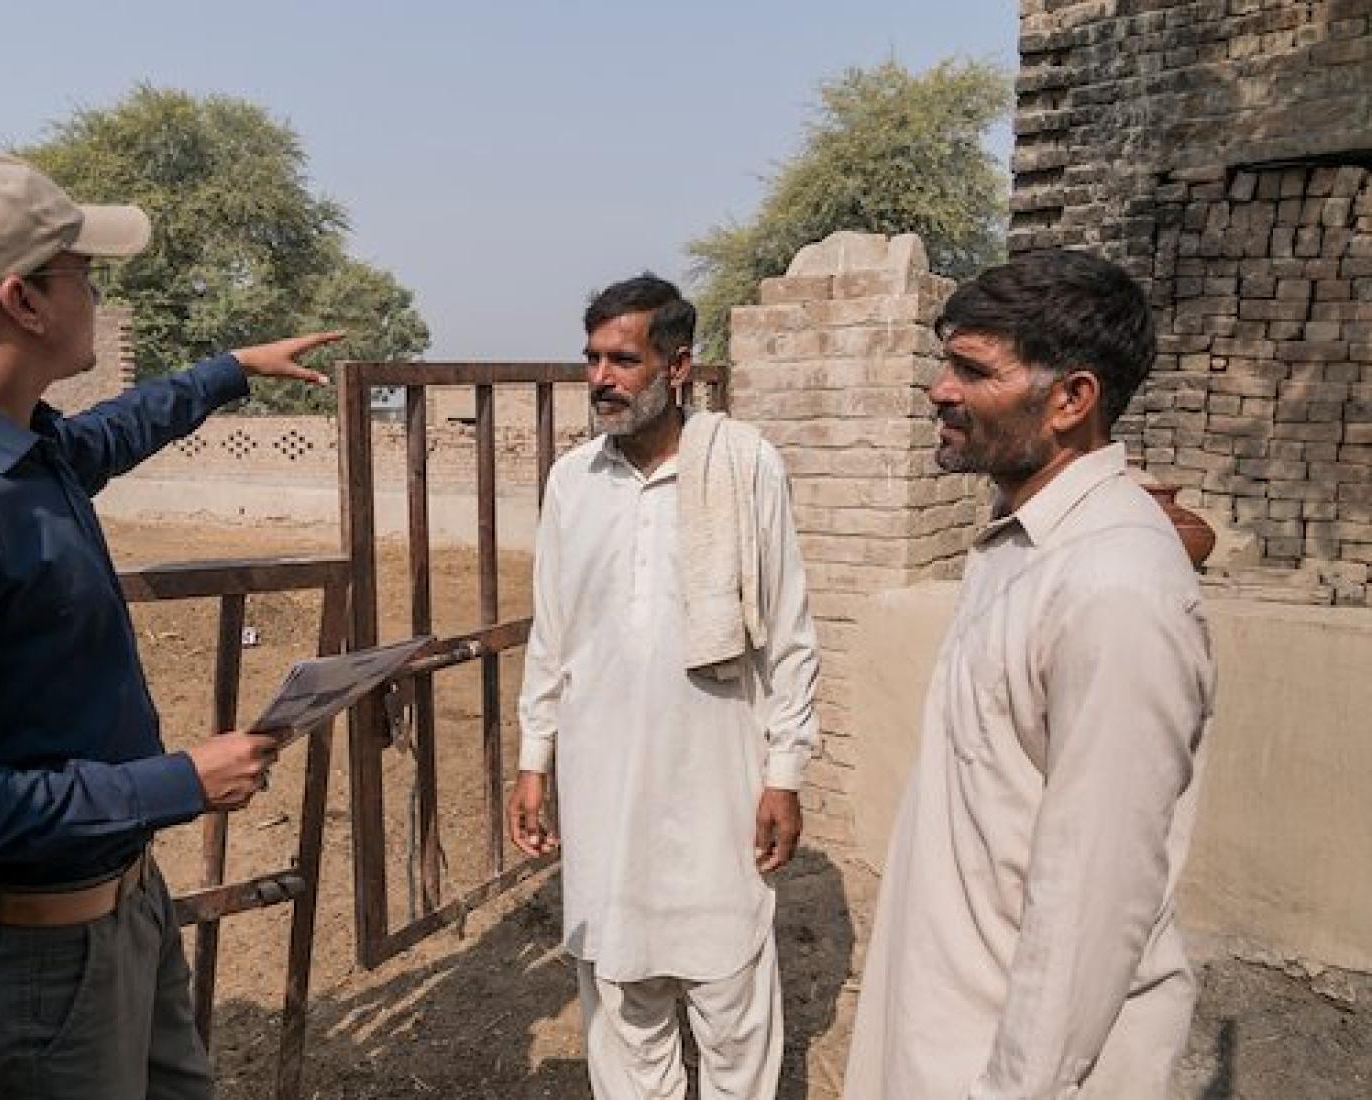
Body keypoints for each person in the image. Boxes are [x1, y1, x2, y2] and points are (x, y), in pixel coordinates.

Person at [0, 151, 340, 1099]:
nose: (97, 293)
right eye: (85, 273)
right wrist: (173, 783)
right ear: (24, 302)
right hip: (32, 958)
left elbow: (107, 435)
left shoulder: (11, 444)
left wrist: (228, 371)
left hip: (114, 906)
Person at [843, 250, 1216, 1099]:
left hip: (1017, 1069)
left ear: (1071, 400)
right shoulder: (1025, 546)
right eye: (946, 363)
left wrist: (1013, 1089)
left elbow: (1092, 894)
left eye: (972, 370)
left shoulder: (1116, 586)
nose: (939, 389)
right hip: (947, 1026)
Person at [508, 274, 821, 1099]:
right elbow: (554, 631)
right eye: (592, 359)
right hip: (603, 777)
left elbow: (789, 634)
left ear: (678, 366)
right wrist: (534, 756)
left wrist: (784, 773)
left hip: (716, 774)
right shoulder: (573, 482)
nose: (601, 378)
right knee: (619, 989)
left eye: (623, 359)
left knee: (730, 993)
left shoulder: (745, 466)